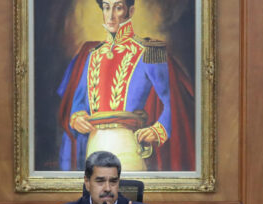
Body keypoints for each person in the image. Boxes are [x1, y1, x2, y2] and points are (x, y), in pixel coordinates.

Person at [57, 0, 195, 172]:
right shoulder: (91, 55)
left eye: (118, 7)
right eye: (106, 7)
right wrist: (77, 117)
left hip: (128, 144)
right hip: (94, 143)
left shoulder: (150, 52)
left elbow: (172, 101)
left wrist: (159, 129)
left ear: (130, 11)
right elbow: (78, 101)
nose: (111, 15)